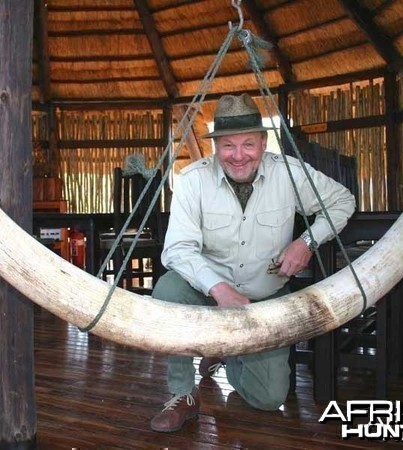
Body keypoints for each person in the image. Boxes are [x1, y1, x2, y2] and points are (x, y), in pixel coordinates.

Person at [149, 93, 356, 433]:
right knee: (168, 288)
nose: (239, 156)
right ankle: (183, 394)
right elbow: (177, 249)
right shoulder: (192, 180)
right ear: (216, 147)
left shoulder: (289, 173)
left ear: (263, 143)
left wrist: (307, 241)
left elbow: (342, 202)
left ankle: (227, 352)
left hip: (265, 299)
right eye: (228, 146)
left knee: (269, 398)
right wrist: (219, 289)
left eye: (249, 144)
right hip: (209, 294)